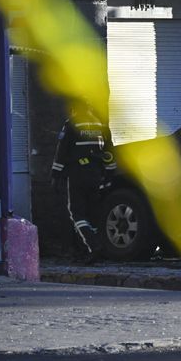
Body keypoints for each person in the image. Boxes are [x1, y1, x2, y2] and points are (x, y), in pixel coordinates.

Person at [50, 101, 116, 262]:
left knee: (76, 213)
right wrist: (109, 174)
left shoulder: (72, 124)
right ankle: (94, 247)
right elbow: (110, 152)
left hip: (78, 173)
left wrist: (55, 174)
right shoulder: (100, 124)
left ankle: (93, 246)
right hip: (97, 174)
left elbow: (62, 150)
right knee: (93, 213)